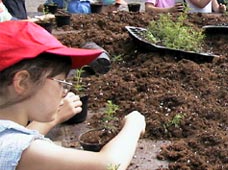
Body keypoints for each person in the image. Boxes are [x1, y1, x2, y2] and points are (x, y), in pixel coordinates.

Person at [0, 20, 146, 170]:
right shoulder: (13, 147)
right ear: (22, 83)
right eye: (60, 82)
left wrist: (52, 119)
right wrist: (133, 125)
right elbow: (108, 165)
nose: (65, 91)